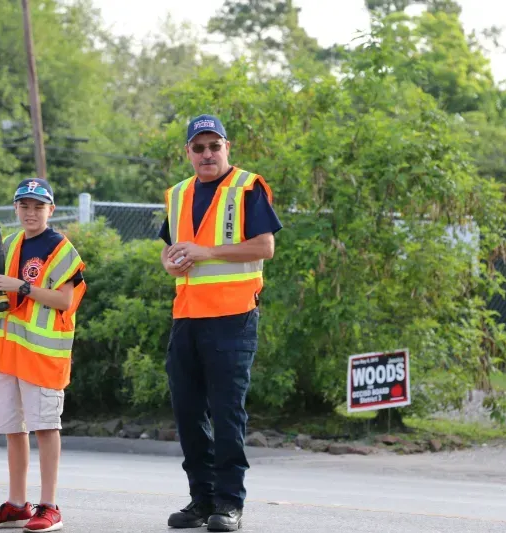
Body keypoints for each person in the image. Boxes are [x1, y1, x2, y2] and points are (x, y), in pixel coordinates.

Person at [159, 114, 283, 532]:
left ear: (227, 147)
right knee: (189, 413)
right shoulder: (177, 194)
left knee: (228, 415)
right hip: (187, 317)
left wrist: (205, 252)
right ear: (188, 153)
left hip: (232, 318)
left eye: (215, 146)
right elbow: (171, 248)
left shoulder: (248, 187)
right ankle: (201, 500)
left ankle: (229, 504)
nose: (207, 154)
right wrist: (170, 262)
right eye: (199, 147)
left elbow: (265, 246)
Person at [0, 177, 86, 533]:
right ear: (15, 208)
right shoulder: (9, 246)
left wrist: (23, 286)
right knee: (14, 430)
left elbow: (65, 300)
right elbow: (2, 301)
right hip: (10, 354)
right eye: (24, 205)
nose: (31, 212)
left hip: (44, 357)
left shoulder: (60, 248)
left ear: (51, 210)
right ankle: (17, 505)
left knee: (45, 428)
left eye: (38, 206)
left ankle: (50, 507)